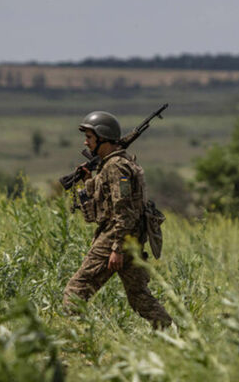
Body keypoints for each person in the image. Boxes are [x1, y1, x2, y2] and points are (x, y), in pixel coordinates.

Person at [62, 111, 172, 328]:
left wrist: (116, 248)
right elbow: (100, 208)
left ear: (102, 138)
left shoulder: (116, 166)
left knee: (76, 291)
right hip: (129, 238)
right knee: (138, 296)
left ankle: (76, 338)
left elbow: (124, 210)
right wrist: (89, 182)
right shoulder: (112, 164)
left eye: (89, 137)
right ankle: (170, 332)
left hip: (116, 236)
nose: (85, 142)